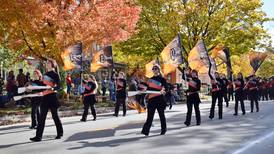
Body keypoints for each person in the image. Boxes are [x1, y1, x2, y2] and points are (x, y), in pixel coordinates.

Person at [30, 59, 63, 142]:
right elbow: (42, 86)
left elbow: (59, 86)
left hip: (52, 98)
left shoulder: (55, 74)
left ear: (52, 64)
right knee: (41, 118)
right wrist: (31, 87)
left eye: (48, 62)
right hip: (44, 98)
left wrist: (53, 88)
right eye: (46, 62)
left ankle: (60, 133)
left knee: (55, 116)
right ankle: (38, 136)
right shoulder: (45, 75)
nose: (46, 63)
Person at [141, 64, 167, 136]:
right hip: (151, 100)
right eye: (153, 69)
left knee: (161, 115)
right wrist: (143, 89)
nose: (154, 70)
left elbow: (165, 88)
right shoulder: (150, 80)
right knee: (149, 116)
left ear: (158, 70)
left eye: (155, 68)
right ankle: (145, 131)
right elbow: (147, 88)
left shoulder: (162, 79)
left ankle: (163, 130)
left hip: (160, 99)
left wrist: (163, 90)